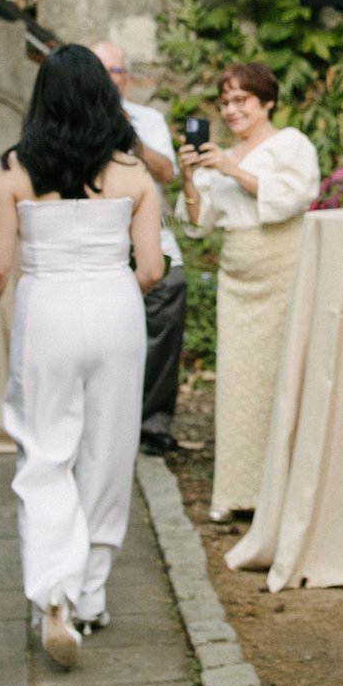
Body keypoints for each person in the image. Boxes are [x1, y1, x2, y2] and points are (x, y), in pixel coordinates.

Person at [0, 45, 166, 670]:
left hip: (47, 310)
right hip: (116, 308)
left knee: (45, 452)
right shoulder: (135, 176)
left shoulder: (14, 174)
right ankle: (90, 595)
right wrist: (111, 292)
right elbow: (152, 268)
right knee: (108, 452)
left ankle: (53, 592)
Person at [180, 61, 321, 523]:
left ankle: (283, 492)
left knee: (280, 376)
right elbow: (196, 225)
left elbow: (292, 197)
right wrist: (189, 176)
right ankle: (238, 492)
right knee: (240, 383)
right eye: (225, 102)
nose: (231, 110)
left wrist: (232, 168)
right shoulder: (218, 156)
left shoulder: (290, 143)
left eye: (241, 100)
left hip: (282, 269)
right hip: (236, 281)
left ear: (267, 102)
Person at [91, 41, 188, 457]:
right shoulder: (75, 122)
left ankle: (150, 425)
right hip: (99, 250)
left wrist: (128, 135)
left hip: (154, 243)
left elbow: (167, 172)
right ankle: (102, 426)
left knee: (169, 297)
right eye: (99, 70)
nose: (107, 79)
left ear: (125, 78)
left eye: (113, 71)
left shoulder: (148, 119)